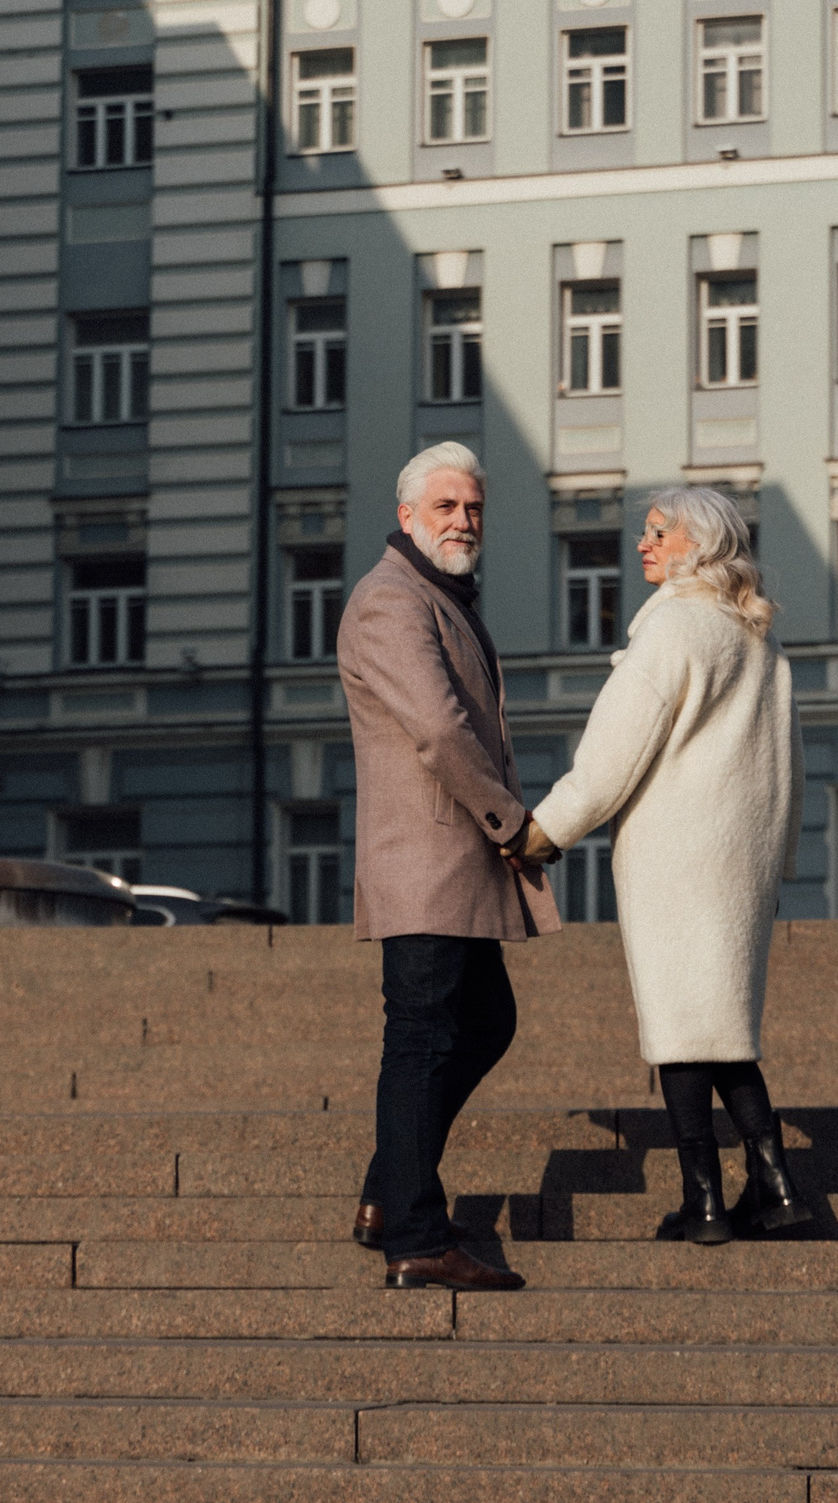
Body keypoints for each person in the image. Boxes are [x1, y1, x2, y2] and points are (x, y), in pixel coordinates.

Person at [521, 486, 812, 1245]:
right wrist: (777, 860)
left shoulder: (673, 628)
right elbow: (791, 764)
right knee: (724, 1028)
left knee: (680, 1027)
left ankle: (704, 1200)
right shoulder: (757, 635)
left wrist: (545, 829)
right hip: (738, 861)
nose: (644, 544)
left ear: (702, 544)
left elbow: (613, 752)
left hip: (676, 858)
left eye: (659, 533)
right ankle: (776, 1185)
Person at [336, 441, 557, 1290]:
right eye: (445, 508)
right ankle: (418, 1238)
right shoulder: (391, 599)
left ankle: (389, 1190)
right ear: (406, 516)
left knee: (487, 1020)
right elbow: (436, 726)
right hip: (427, 864)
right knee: (424, 1040)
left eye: (473, 509)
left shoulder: (437, 595)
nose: (464, 521)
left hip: (452, 868)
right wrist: (510, 819)